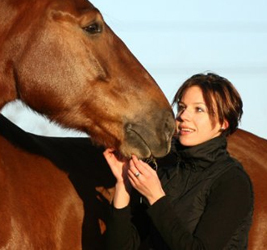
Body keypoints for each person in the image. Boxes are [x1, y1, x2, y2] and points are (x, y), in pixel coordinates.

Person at [103, 73, 254, 250]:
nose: (183, 116)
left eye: (199, 109)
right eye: (182, 107)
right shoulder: (166, 171)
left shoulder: (232, 181)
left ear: (224, 122)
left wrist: (156, 197)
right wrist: (123, 183)